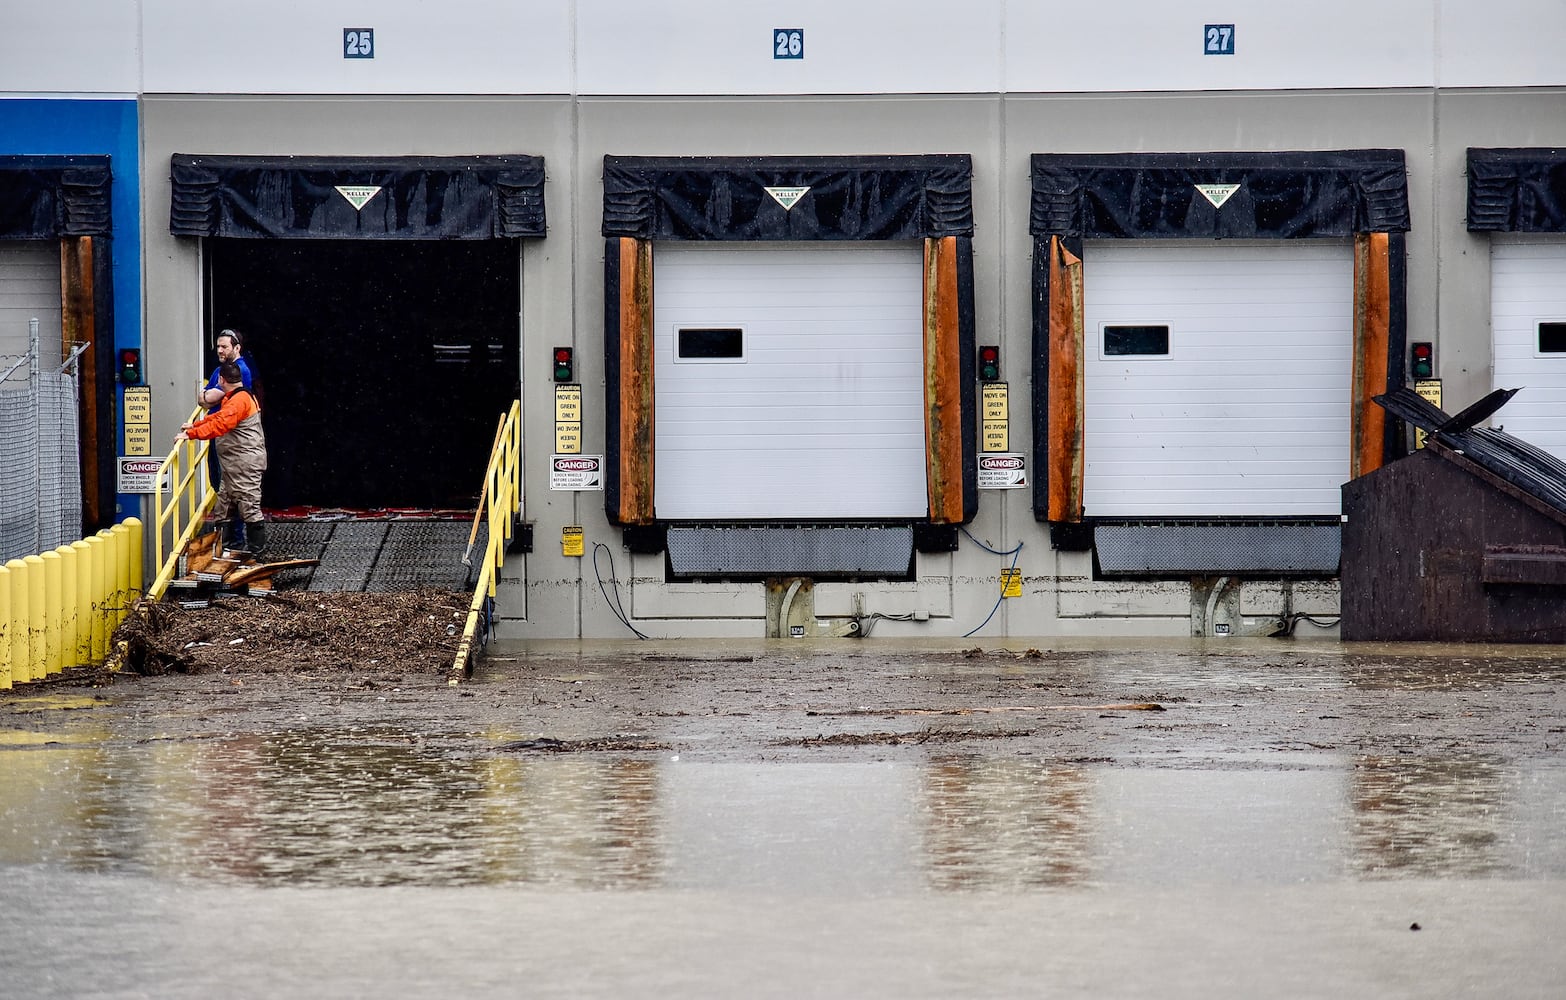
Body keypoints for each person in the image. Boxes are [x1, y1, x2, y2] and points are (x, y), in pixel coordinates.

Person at [178, 361, 269, 556]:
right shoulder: (235, 397)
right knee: (224, 507)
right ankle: (227, 551)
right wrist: (195, 426)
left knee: (249, 506)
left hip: (245, 463)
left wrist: (192, 434)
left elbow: (221, 425)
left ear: (221, 380)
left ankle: (256, 557)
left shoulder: (239, 401)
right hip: (234, 464)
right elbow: (218, 417)